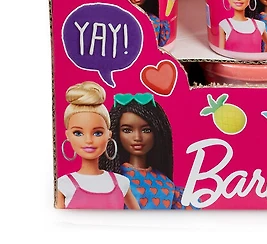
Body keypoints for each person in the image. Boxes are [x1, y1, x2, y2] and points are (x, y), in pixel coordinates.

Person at [99, 93, 193, 210]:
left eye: (146, 130)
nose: (137, 137)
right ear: (115, 133)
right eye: (127, 130)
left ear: (157, 132)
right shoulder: (113, 180)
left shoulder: (165, 183)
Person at [56, 81, 139, 209]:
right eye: (78, 133)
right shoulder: (63, 184)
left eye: (98, 133)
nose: (88, 140)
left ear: (109, 135)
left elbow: (140, 218)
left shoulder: (121, 182)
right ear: (68, 135)